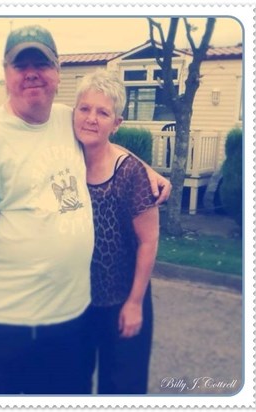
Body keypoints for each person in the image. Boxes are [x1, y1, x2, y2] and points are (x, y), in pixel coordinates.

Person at [0, 25, 169, 395]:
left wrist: (145, 170)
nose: (32, 73)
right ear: (5, 74)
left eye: (41, 64)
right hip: (8, 327)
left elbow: (104, 140)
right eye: (21, 64)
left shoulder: (68, 118)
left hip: (71, 322)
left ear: (57, 72)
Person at [73, 69, 159, 394]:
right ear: (75, 111)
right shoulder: (66, 159)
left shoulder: (131, 173)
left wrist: (135, 302)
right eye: (85, 108)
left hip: (122, 300)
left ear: (116, 123)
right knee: (73, 384)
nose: (92, 118)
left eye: (103, 112)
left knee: (122, 388)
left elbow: (148, 241)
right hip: (77, 303)